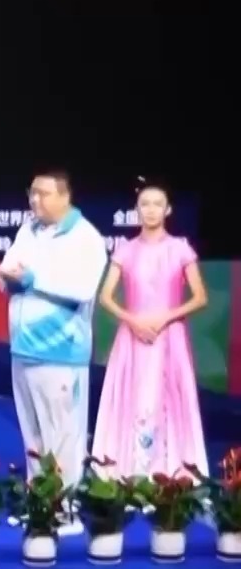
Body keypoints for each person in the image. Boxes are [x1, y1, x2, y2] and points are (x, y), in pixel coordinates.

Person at [0, 170, 108, 534]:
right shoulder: (27, 230)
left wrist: (33, 280)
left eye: (43, 194)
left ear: (65, 196)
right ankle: (39, 505)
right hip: (22, 348)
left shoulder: (85, 237)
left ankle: (64, 511)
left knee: (63, 437)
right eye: (32, 193)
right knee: (34, 436)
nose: (35, 200)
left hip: (61, 352)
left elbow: (82, 288)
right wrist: (7, 280)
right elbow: (5, 270)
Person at [92, 181, 207, 478]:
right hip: (132, 338)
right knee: (133, 399)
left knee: (169, 399)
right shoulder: (125, 250)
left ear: (168, 210)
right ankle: (128, 473)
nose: (151, 210)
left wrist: (166, 317)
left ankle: (173, 474)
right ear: (137, 210)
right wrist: (132, 320)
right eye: (145, 204)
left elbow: (200, 297)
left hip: (170, 337)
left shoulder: (180, 248)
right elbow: (105, 297)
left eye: (158, 204)